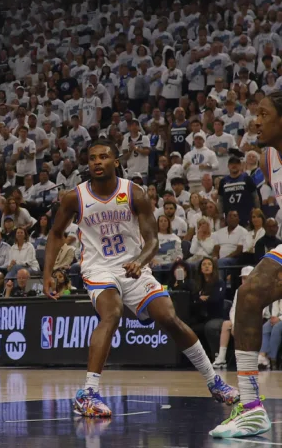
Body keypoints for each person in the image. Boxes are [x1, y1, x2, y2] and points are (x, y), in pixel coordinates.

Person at [46, 139, 237, 419]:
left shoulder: (134, 193)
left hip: (134, 267)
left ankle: (214, 381)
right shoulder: (74, 197)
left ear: (115, 161)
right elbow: (55, 234)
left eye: (103, 156)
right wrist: (49, 273)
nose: (97, 162)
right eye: (92, 158)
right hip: (98, 269)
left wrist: (141, 262)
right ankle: (88, 393)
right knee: (112, 313)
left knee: (169, 317)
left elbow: (152, 241)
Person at [211, 91, 282, 437]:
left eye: (264, 114)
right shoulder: (268, 158)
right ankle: (252, 407)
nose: (256, 121)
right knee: (250, 294)